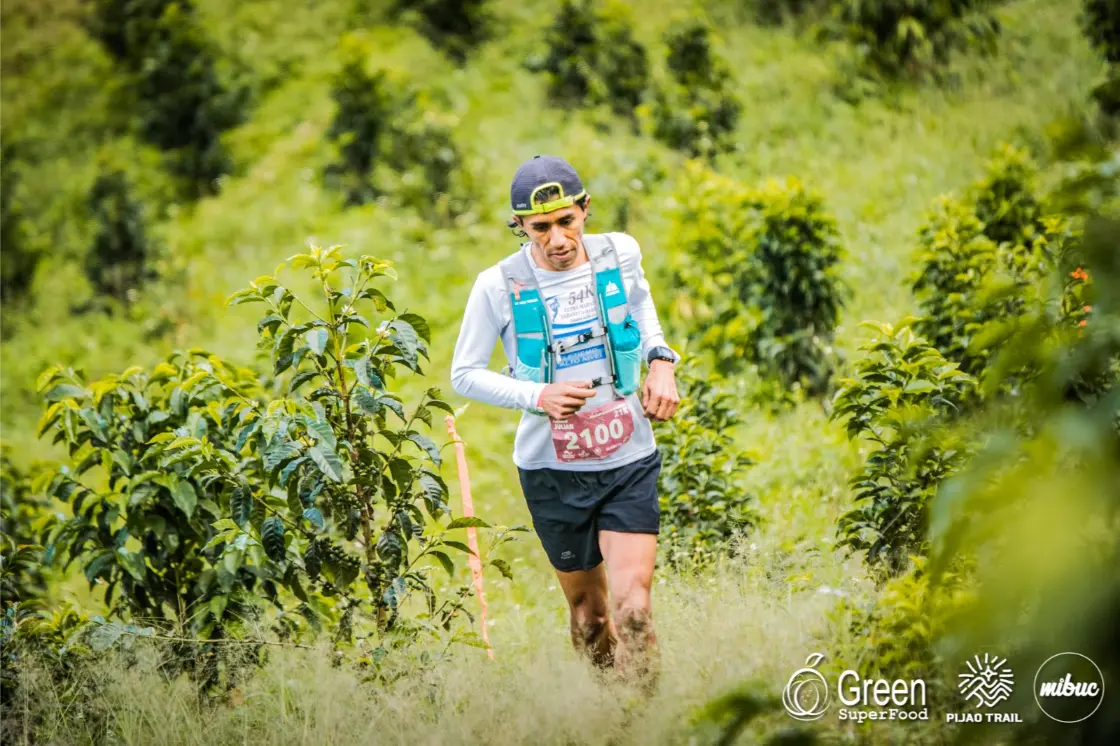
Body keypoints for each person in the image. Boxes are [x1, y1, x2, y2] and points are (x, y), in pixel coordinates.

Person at [450, 155, 681, 688]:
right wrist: (538, 395)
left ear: (584, 210)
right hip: (552, 469)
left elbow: (642, 311)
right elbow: (464, 374)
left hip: (628, 457)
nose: (557, 239)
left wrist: (661, 360)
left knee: (635, 613)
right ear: (520, 228)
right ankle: (604, 711)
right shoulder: (497, 285)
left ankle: (647, 722)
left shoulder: (619, 253)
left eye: (567, 221)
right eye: (541, 227)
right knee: (591, 619)